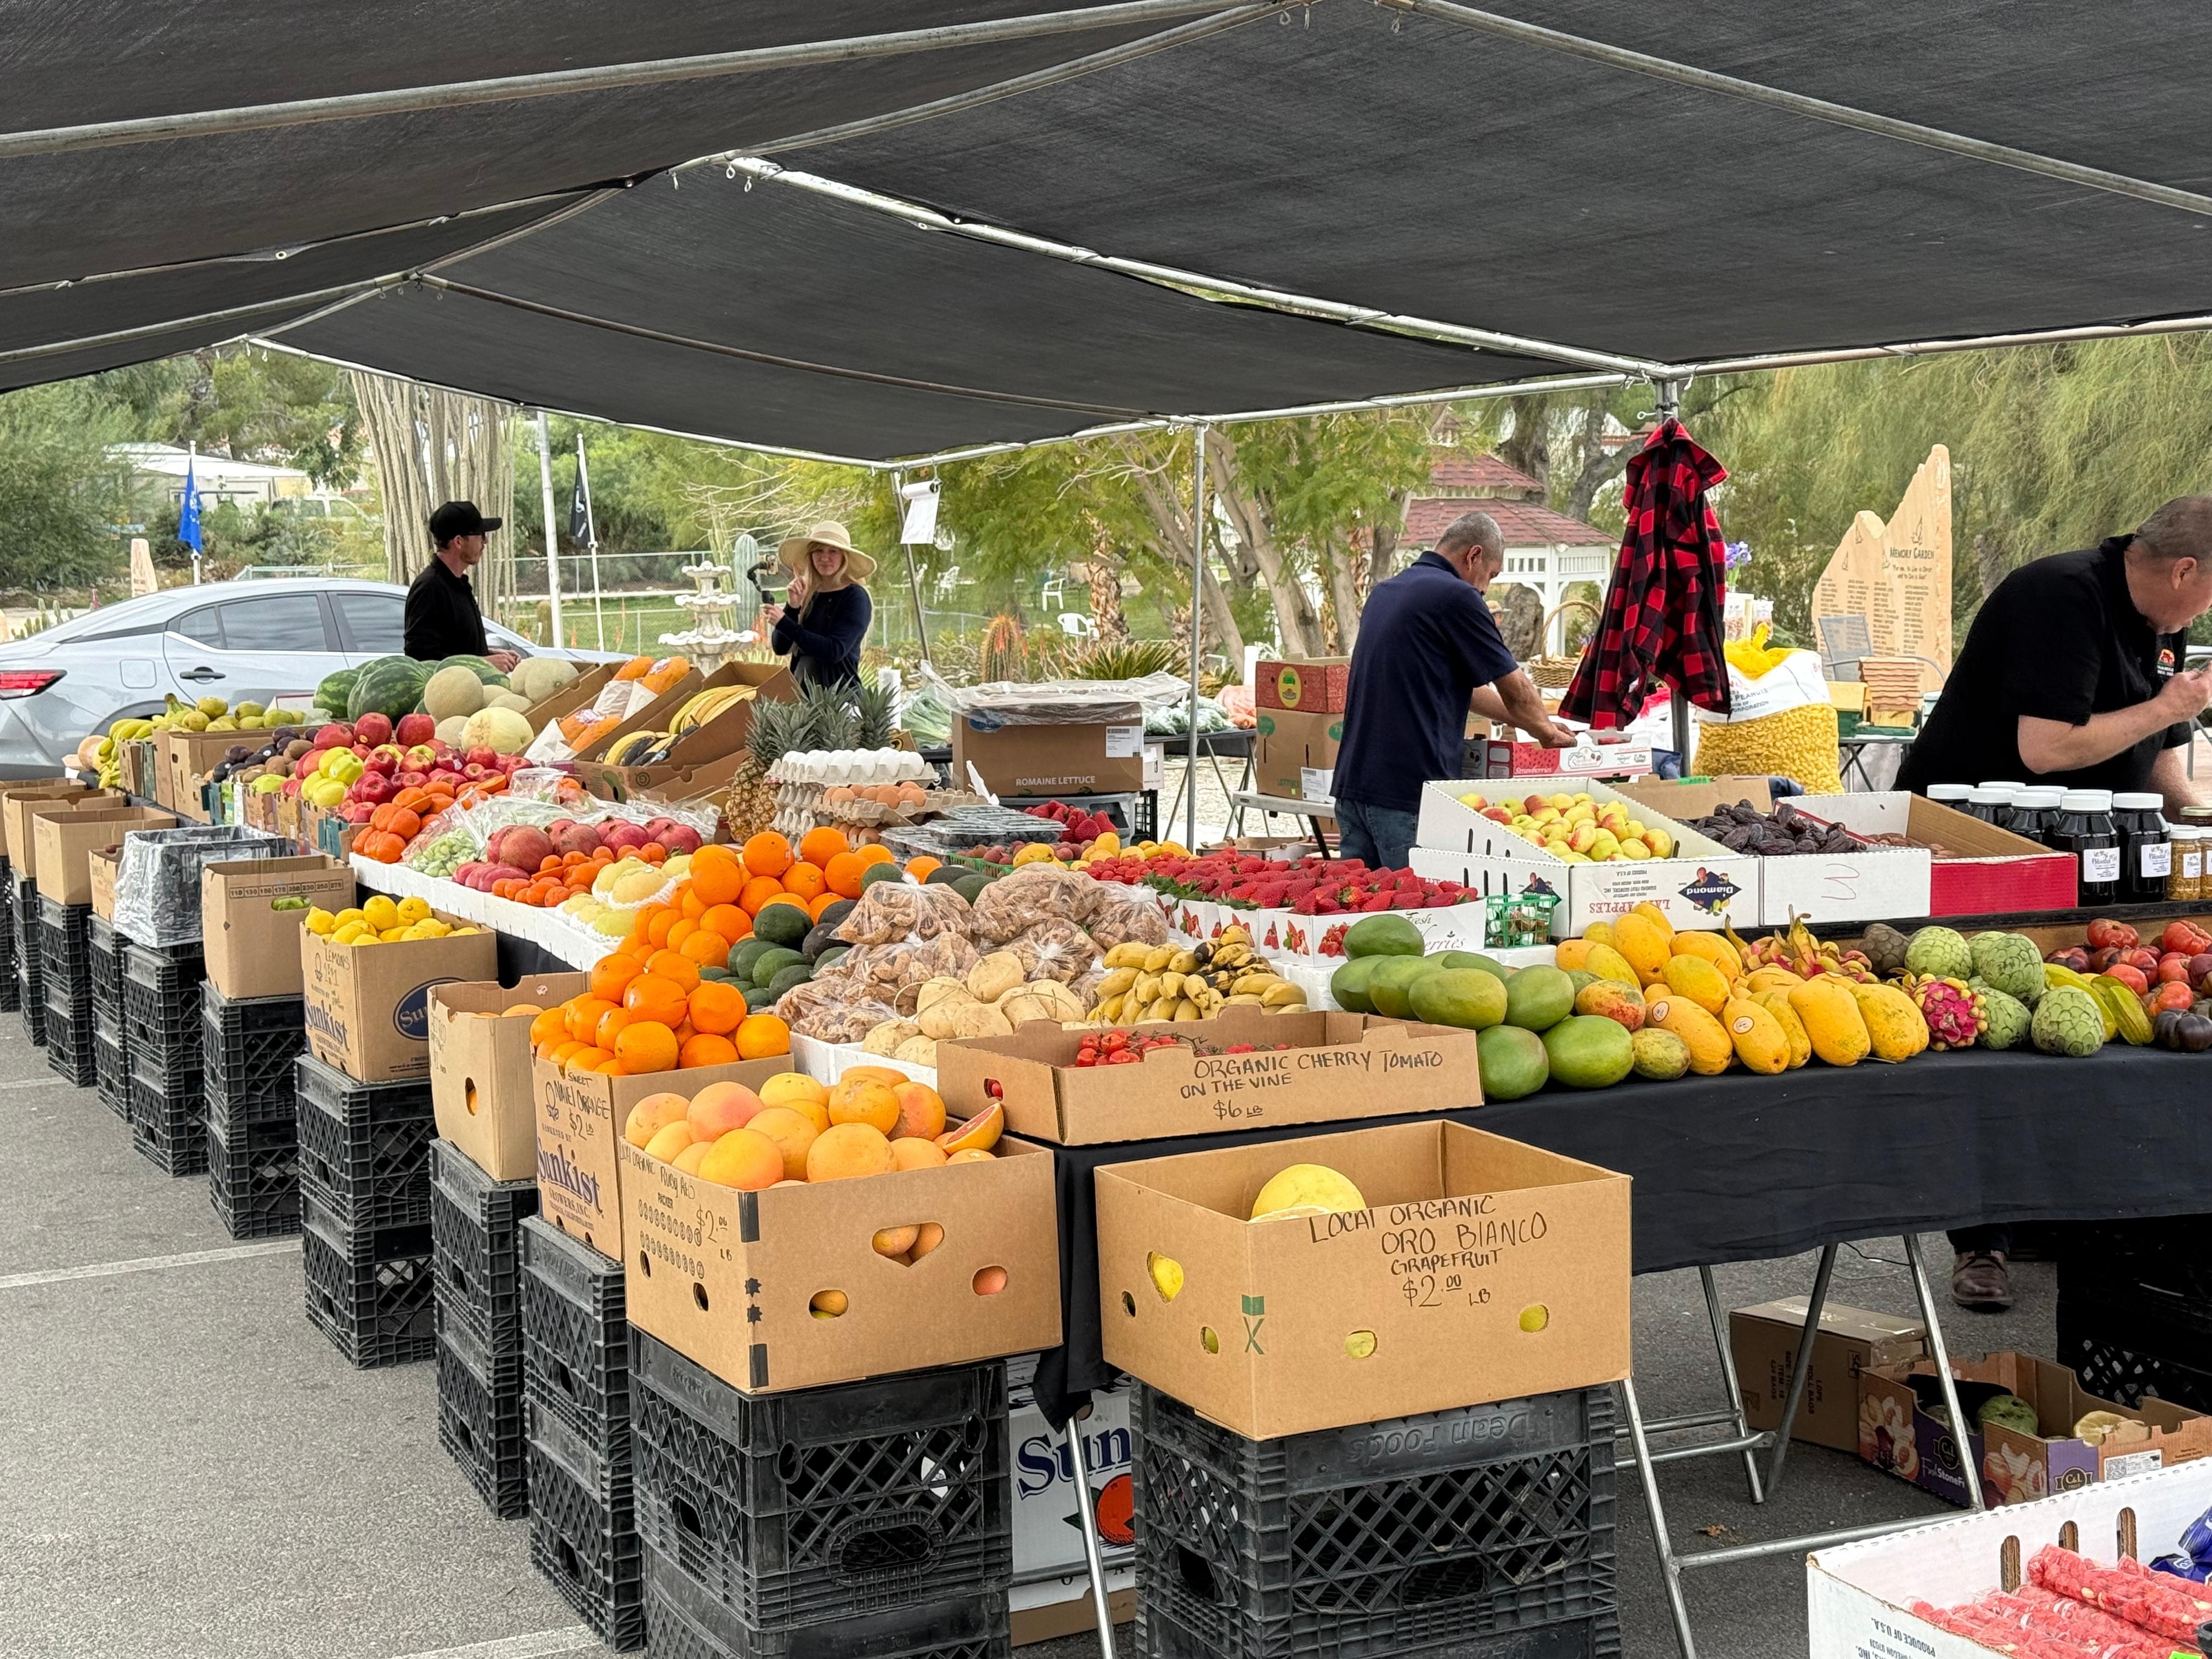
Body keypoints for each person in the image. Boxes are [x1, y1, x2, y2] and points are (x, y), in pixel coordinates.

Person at [1896, 496, 2212, 1312]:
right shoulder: (2062, 596)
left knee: (2081, 1034)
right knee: (1996, 1034)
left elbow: (2166, 778)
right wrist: (2174, 707)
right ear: (2184, 570)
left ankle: (2052, 1213)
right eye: (2210, 592)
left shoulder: (2162, 624)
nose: (2207, 612)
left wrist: (2197, 815)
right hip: (1983, 847)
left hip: (2093, 857)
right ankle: (1984, 1242)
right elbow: (2047, 749)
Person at [1330, 511, 1576, 870]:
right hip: (1406, 794)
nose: (1486, 589)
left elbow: (1469, 691)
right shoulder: (1457, 596)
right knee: (1415, 918)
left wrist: (1533, 724)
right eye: (1491, 574)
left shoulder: (1387, 591)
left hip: (1354, 787)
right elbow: (1516, 686)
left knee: (1361, 916)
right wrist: (1548, 734)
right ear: (1473, 556)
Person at [404, 500, 520, 672]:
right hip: (449, 697)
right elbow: (421, 658)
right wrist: (483, 663)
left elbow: (456, 649)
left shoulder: (457, 583)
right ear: (459, 541)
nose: (485, 541)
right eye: (480, 535)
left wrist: (491, 654)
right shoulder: (430, 588)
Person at [767, 520, 875, 688]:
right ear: (811, 555)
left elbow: (834, 651)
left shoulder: (855, 597)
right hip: (803, 699)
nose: (825, 558)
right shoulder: (808, 593)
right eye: (818, 551)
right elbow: (781, 647)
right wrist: (793, 607)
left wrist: (785, 623)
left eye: (833, 551)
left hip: (838, 703)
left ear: (843, 557)